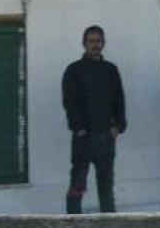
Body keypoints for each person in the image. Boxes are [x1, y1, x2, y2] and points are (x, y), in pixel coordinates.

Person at [61, 25, 126, 214]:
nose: (95, 45)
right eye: (91, 41)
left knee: (106, 186)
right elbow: (69, 102)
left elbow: (119, 100)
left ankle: (109, 223)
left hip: (106, 136)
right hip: (84, 137)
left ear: (103, 43)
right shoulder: (74, 70)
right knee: (78, 185)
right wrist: (78, 128)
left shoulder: (111, 70)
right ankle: (72, 222)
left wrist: (119, 126)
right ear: (84, 44)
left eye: (98, 41)